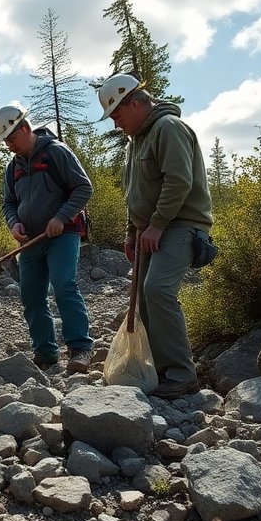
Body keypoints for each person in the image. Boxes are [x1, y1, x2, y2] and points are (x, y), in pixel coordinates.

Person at [99, 74, 214, 399]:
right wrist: (132, 232)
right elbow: (135, 194)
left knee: (157, 289)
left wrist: (157, 224)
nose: (116, 124)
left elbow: (178, 181)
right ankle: (163, 373)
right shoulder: (137, 141)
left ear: (134, 103)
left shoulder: (168, 129)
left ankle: (182, 374)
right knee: (147, 300)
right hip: (152, 228)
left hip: (180, 225)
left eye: (118, 116)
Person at [0, 105, 94, 372]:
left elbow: (84, 188)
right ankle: (45, 351)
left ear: (25, 129)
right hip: (30, 242)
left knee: (64, 285)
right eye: (6, 142)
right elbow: (9, 203)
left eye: (11, 140)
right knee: (32, 295)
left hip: (64, 235)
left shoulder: (56, 152)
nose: (9, 146)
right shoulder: (12, 167)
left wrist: (61, 217)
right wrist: (14, 223)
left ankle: (80, 348)